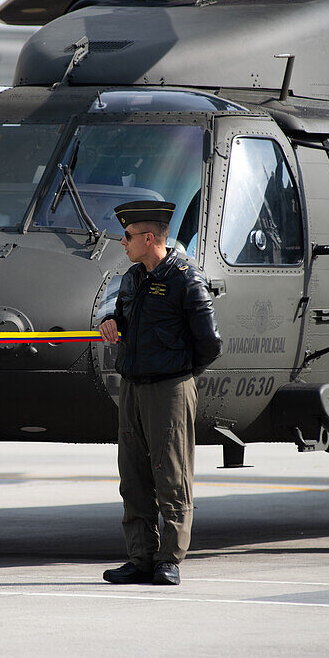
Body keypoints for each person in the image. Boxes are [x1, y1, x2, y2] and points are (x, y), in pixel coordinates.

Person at [98, 200, 222, 586]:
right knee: (132, 477)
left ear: (149, 238)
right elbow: (124, 315)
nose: (123, 242)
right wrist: (111, 321)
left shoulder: (187, 279)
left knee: (171, 476)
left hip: (170, 388)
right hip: (133, 387)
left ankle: (169, 558)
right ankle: (140, 557)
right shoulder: (133, 278)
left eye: (129, 236)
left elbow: (210, 343)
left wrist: (180, 374)